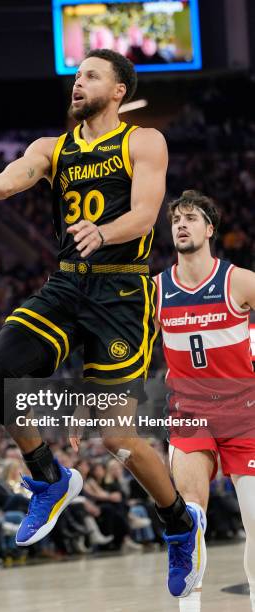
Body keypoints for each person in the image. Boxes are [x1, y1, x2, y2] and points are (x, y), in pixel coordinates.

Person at [0, 49, 199, 594]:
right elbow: (4, 184)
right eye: (76, 77)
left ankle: (178, 523)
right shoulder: (52, 149)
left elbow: (148, 213)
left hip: (122, 291)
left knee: (116, 434)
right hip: (69, 283)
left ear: (119, 90)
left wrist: (105, 231)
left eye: (91, 76)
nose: (78, 84)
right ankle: (49, 479)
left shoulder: (143, 140)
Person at [156, 190, 255, 609]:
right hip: (191, 411)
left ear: (209, 229)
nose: (182, 223)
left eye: (191, 217)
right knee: (191, 516)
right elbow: (120, 350)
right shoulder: (156, 290)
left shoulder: (239, 281)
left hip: (244, 412)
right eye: (177, 218)